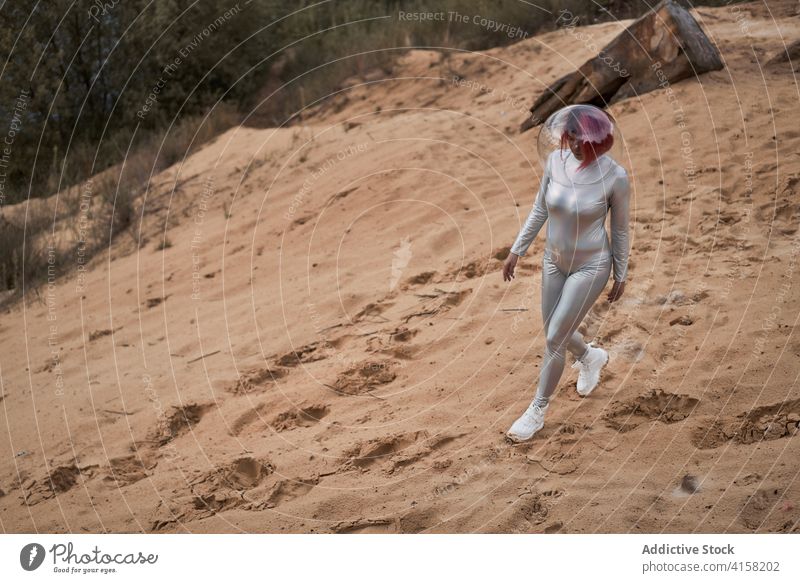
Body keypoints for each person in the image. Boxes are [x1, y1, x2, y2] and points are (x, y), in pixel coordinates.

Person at [502, 104, 631, 442]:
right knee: (555, 333)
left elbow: (619, 230)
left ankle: (537, 410)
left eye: (581, 137)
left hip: (591, 265)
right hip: (553, 261)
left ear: (598, 140)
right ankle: (591, 357)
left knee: (554, 338)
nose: (573, 142)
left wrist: (621, 270)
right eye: (570, 134)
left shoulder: (615, 177)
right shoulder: (555, 162)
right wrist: (517, 249)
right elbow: (539, 208)